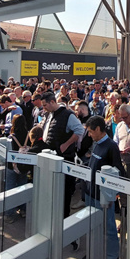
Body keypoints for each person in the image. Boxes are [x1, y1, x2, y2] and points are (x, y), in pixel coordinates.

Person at [82, 116, 125, 259]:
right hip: (90, 192)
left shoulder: (111, 147)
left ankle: (112, 256)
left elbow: (118, 171)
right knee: (92, 224)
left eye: (91, 131)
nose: (89, 134)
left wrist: (113, 194)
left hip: (103, 196)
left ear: (99, 129)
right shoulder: (96, 144)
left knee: (108, 227)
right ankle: (94, 250)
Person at [40, 91, 84, 219]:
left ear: (52, 102)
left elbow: (79, 130)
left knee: (64, 192)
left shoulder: (68, 115)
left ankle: (64, 219)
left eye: (45, 105)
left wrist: (66, 144)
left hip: (64, 159)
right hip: (51, 157)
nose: (44, 108)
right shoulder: (50, 114)